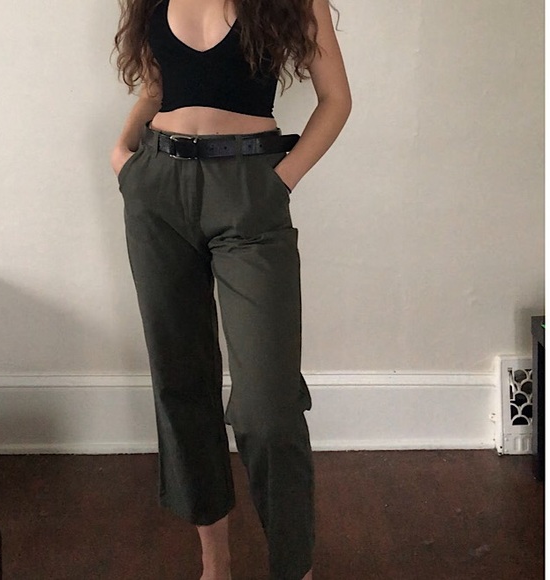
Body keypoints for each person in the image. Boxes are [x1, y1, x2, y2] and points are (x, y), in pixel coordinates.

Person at [110, 0, 351, 578]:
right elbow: (157, 88)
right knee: (181, 381)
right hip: (157, 188)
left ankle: (293, 569)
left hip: (250, 189)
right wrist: (123, 156)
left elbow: (336, 100)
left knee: (269, 406)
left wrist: (280, 181)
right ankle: (214, 562)